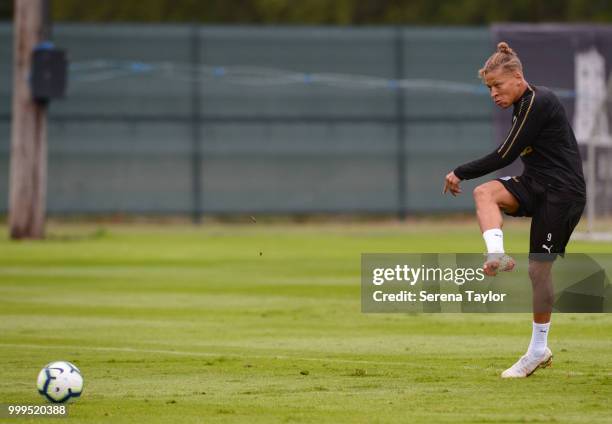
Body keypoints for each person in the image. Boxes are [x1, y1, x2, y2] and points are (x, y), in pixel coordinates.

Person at [443, 41, 586, 378]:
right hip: (536, 183)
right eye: (489, 87)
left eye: (497, 85)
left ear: (518, 77)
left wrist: (459, 170)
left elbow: (504, 155)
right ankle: (496, 255)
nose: (493, 93)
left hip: (562, 194)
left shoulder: (538, 101)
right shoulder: (521, 104)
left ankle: (538, 349)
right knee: (485, 193)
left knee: (538, 273)